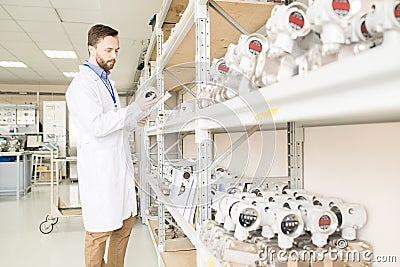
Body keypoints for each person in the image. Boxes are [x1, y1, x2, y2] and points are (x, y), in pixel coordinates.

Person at [66, 24, 158, 267]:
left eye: (116, 50)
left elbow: (115, 124)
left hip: (120, 170)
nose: (114, 56)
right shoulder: (80, 86)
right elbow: (97, 125)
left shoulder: (108, 84)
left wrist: (134, 120)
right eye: (108, 50)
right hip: (101, 174)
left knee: (125, 226)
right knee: (98, 234)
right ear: (91, 48)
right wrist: (133, 108)